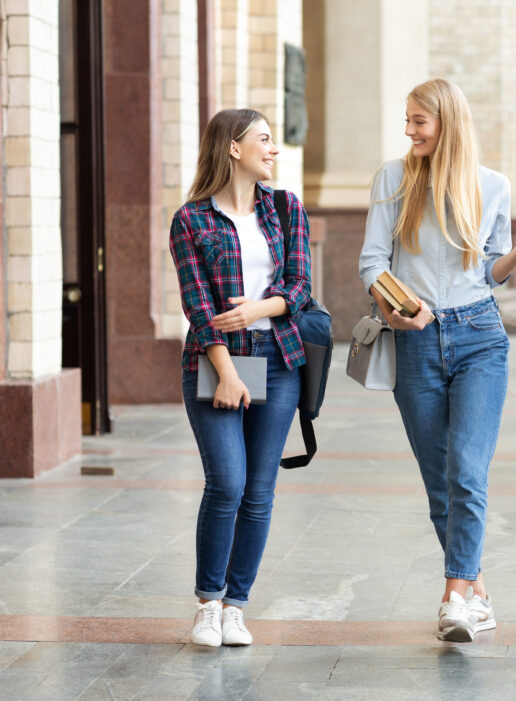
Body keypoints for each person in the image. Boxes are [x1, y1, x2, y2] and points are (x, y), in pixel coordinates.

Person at [358, 78, 516, 642]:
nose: (408, 131)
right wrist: (397, 307)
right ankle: (477, 588)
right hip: (415, 339)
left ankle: (453, 596)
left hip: (479, 336)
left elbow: (489, 270)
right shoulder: (393, 179)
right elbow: (373, 263)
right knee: (440, 483)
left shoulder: (493, 186)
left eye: (418, 121)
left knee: (468, 470)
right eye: (407, 120)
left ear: (446, 121)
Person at [169, 109, 311, 647]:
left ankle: (236, 606)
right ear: (233, 147)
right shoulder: (191, 219)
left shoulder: (284, 207)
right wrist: (226, 371)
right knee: (226, 482)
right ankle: (208, 602)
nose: (273, 150)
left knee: (259, 491)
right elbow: (197, 304)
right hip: (214, 362)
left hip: (277, 358)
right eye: (264, 140)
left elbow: (299, 288)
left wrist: (256, 311)